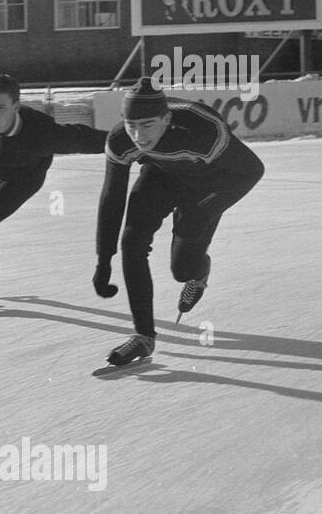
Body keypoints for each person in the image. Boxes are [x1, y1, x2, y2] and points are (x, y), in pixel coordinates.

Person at [92, 77, 265, 368]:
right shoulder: (121, 139)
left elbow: (251, 171)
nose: (139, 136)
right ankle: (143, 337)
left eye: (147, 125)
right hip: (162, 175)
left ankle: (199, 274)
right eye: (132, 125)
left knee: (182, 269)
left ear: (166, 118)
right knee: (131, 242)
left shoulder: (202, 132)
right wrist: (104, 259)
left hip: (209, 183)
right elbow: (112, 198)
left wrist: (202, 211)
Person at [0, 73, 109, 306]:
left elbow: (78, 138)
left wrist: (117, 141)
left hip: (24, 177)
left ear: (16, 106)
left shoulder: (37, 130)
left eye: (0, 107)